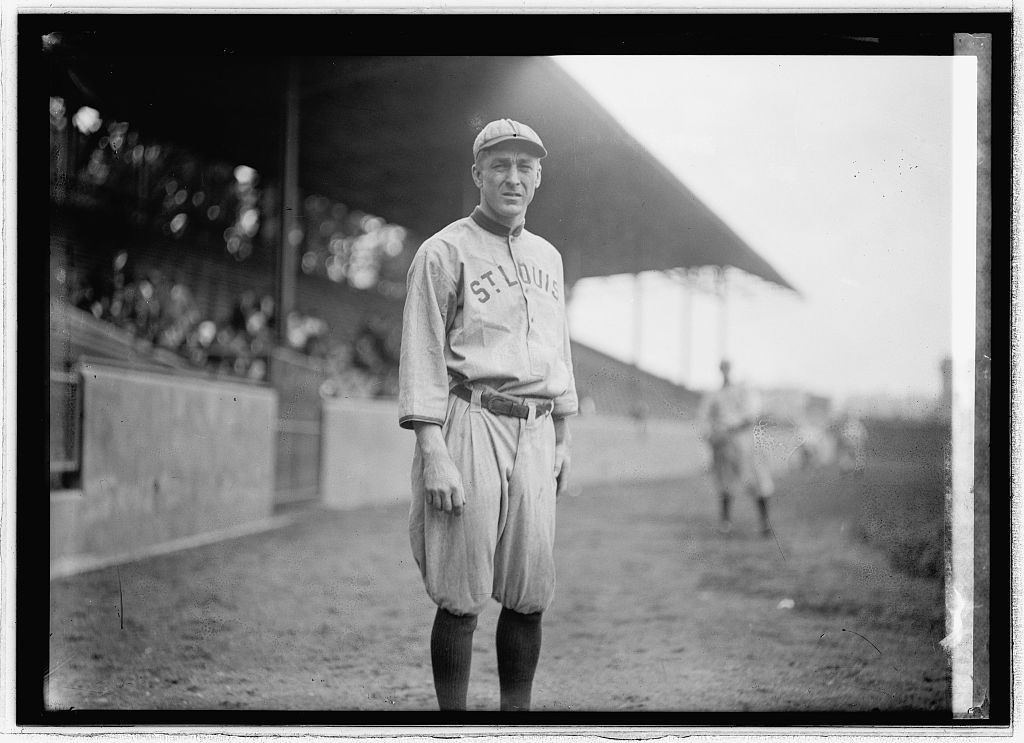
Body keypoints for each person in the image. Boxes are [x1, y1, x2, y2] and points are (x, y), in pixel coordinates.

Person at [398, 118, 577, 712]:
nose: (513, 177)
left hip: (536, 428)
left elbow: (559, 350)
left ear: (538, 178)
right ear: (477, 173)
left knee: (529, 592)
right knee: (461, 593)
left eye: (525, 167)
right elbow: (422, 354)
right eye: (500, 165)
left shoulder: (548, 257)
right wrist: (432, 449)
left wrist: (563, 434)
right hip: (471, 420)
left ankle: (514, 724)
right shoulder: (442, 251)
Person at [696, 359, 774, 537]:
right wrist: (711, 435)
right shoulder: (713, 395)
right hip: (724, 445)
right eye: (722, 368)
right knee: (725, 484)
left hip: (744, 443)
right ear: (719, 370)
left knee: (758, 482)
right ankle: (725, 522)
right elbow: (704, 419)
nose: (724, 371)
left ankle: (764, 522)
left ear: (730, 369)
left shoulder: (743, 390)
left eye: (726, 367)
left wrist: (731, 427)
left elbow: (751, 414)